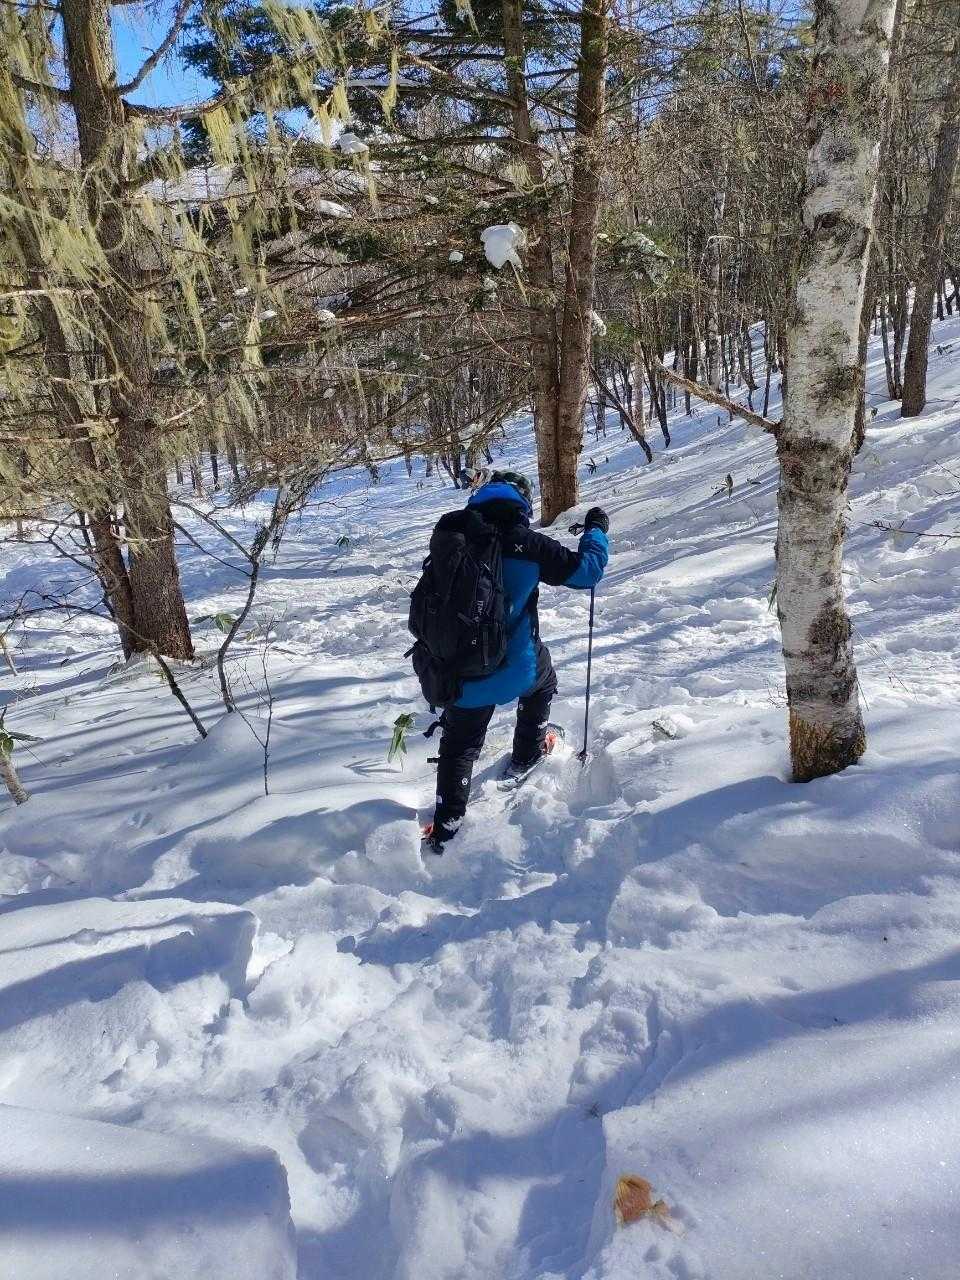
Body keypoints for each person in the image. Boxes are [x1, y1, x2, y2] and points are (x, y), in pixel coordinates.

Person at [422, 470, 609, 853]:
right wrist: (595, 531)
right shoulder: (526, 543)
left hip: (456, 676)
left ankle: (446, 826)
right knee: (543, 680)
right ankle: (527, 753)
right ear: (522, 504)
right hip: (514, 671)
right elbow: (588, 573)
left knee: (460, 747)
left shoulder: (451, 538)